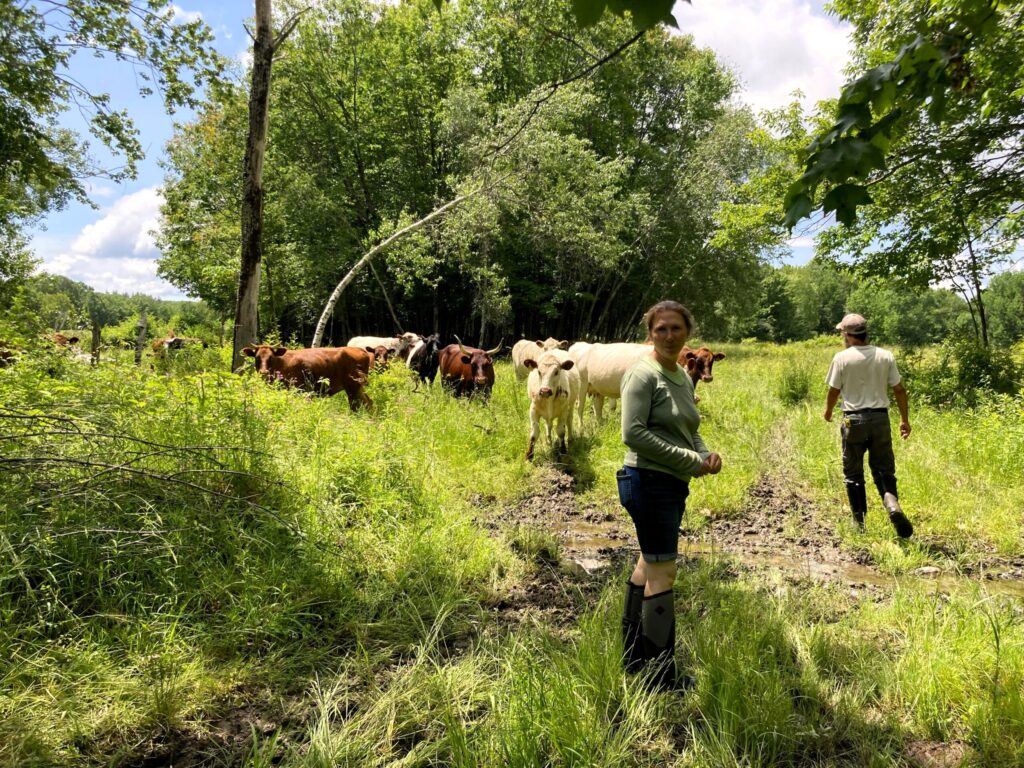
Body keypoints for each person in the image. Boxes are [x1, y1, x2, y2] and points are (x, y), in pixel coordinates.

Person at [616, 300, 722, 690]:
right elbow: (634, 433)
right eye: (661, 329)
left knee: (649, 563)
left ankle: (632, 658)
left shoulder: (680, 374)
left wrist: (703, 452)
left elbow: (688, 427)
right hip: (647, 480)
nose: (669, 335)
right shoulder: (642, 375)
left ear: (688, 332)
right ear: (650, 333)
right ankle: (661, 677)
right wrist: (688, 460)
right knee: (664, 572)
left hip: (670, 481)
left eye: (676, 328)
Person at [823, 313, 913, 538]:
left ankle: (859, 523)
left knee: (853, 473)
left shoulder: (841, 358)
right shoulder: (885, 356)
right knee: (884, 470)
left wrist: (827, 411)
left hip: (853, 420)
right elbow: (899, 390)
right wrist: (904, 419)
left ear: (847, 334)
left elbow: (833, 390)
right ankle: (892, 505)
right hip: (880, 420)